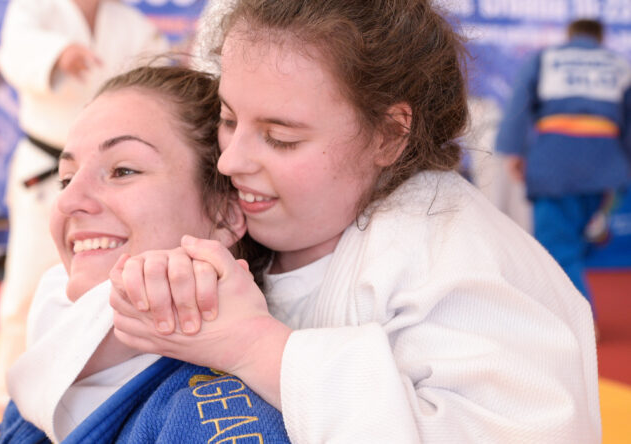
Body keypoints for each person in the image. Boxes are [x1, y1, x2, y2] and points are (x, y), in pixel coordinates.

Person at [108, 0, 602, 442]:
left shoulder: (456, 263)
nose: (230, 161)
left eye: (280, 137)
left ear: (389, 135)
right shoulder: (239, 223)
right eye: (229, 119)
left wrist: (257, 347)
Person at [0, 66, 288, 444]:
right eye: (66, 178)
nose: (68, 201)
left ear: (224, 213)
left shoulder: (216, 420)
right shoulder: (54, 379)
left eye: (123, 170)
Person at [0, 0, 169, 411]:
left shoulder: (130, 23)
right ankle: (8, 399)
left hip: (115, 177)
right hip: (49, 169)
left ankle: (86, 397)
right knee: (28, 284)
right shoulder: (33, 10)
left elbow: (157, 79)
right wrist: (57, 55)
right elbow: (14, 52)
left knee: (112, 285)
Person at [495, 18, 631, 317]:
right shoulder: (619, 65)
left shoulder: (546, 59)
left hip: (554, 167)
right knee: (576, 242)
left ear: (569, 36)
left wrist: (514, 152)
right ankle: (573, 312)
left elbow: (518, 105)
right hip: (604, 170)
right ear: (600, 37)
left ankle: (579, 319)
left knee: (557, 246)